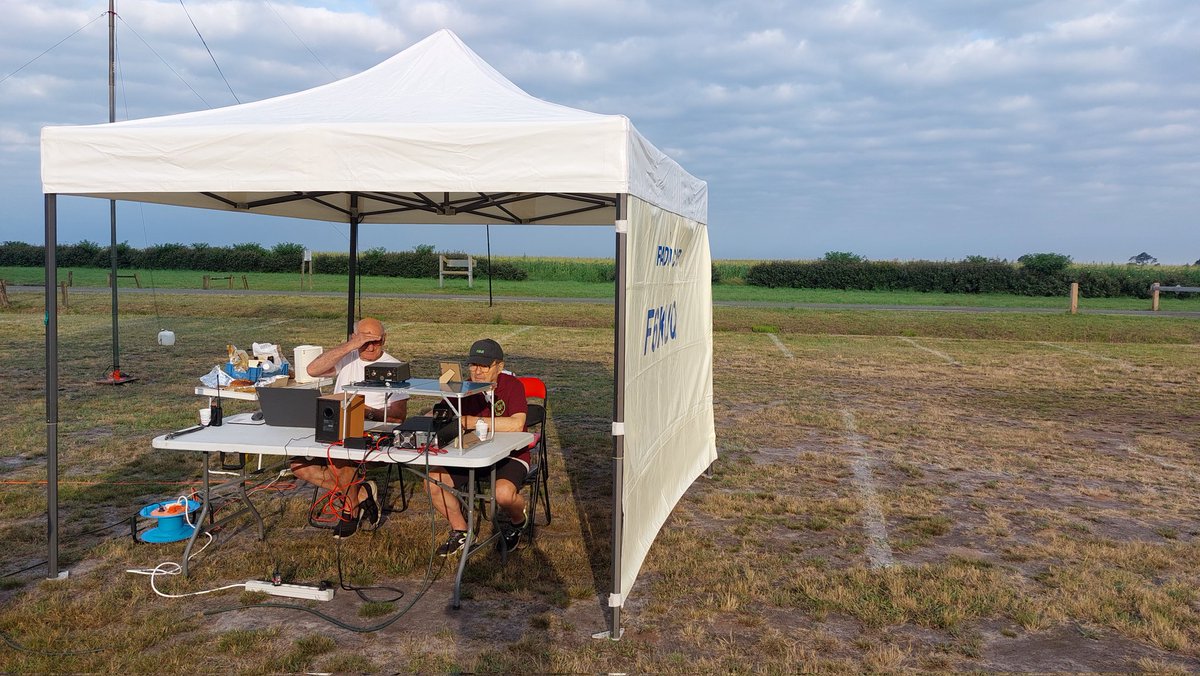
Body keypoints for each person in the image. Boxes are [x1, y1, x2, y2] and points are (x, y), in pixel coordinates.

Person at [290, 317, 408, 538]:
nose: (371, 347)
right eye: (365, 342)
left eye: (376, 341)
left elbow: (399, 417)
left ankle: (350, 510)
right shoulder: (347, 358)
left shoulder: (395, 367)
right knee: (298, 466)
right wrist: (350, 346)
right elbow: (313, 370)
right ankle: (362, 492)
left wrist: (366, 411)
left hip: (371, 434)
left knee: (340, 462)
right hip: (337, 427)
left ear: (385, 339)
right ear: (354, 339)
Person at [427, 338, 529, 556]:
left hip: (510, 454)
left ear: (499, 366)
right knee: (432, 481)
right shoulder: (463, 387)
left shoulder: (513, 386)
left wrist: (472, 421)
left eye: (484, 365)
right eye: (473, 365)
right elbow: (441, 415)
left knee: (502, 495)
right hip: (473, 454)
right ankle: (461, 530)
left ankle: (518, 520)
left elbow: (517, 424)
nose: (478, 371)